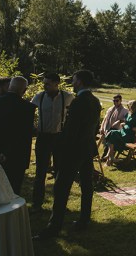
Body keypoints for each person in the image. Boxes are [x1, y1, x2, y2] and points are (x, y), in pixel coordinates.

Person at [34, 70, 101, 239]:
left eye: (74, 79)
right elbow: (95, 128)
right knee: (86, 185)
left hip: (74, 150)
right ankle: (84, 219)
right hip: (87, 148)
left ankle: (53, 227)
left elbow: (72, 130)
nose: (72, 81)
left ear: (80, 82)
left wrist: (63, 149)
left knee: (61, 186)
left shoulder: (78, 102)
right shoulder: (95, 101)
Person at [0, 76, 36, 195]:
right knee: (12, 192)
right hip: (15, 158)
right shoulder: (27, 108)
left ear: (9, 86)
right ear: (24, 90)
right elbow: (23, 137)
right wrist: (5, 154)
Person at [31, 73, 75, 212]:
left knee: (59, 172)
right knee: (40, 172)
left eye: (47, 83)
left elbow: (73, 115)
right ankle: (37, 204)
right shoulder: (39, 96)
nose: (44, 86)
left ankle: (60, 204)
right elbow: (29, 112)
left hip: (59, 138)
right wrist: (33, 127)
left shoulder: (67, 97)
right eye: (44, 83)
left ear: (57, 83)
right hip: (43, 137)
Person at [104, 100, 136, 166]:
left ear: (132, 106)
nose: (127, 106)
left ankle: (109, 157)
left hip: (129, 135)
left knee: (112, 135)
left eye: (128, 105)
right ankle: (110, 156)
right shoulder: (129, 112)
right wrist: (123, 124)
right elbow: (126, 122)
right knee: (111, 133)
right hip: (123, 132)